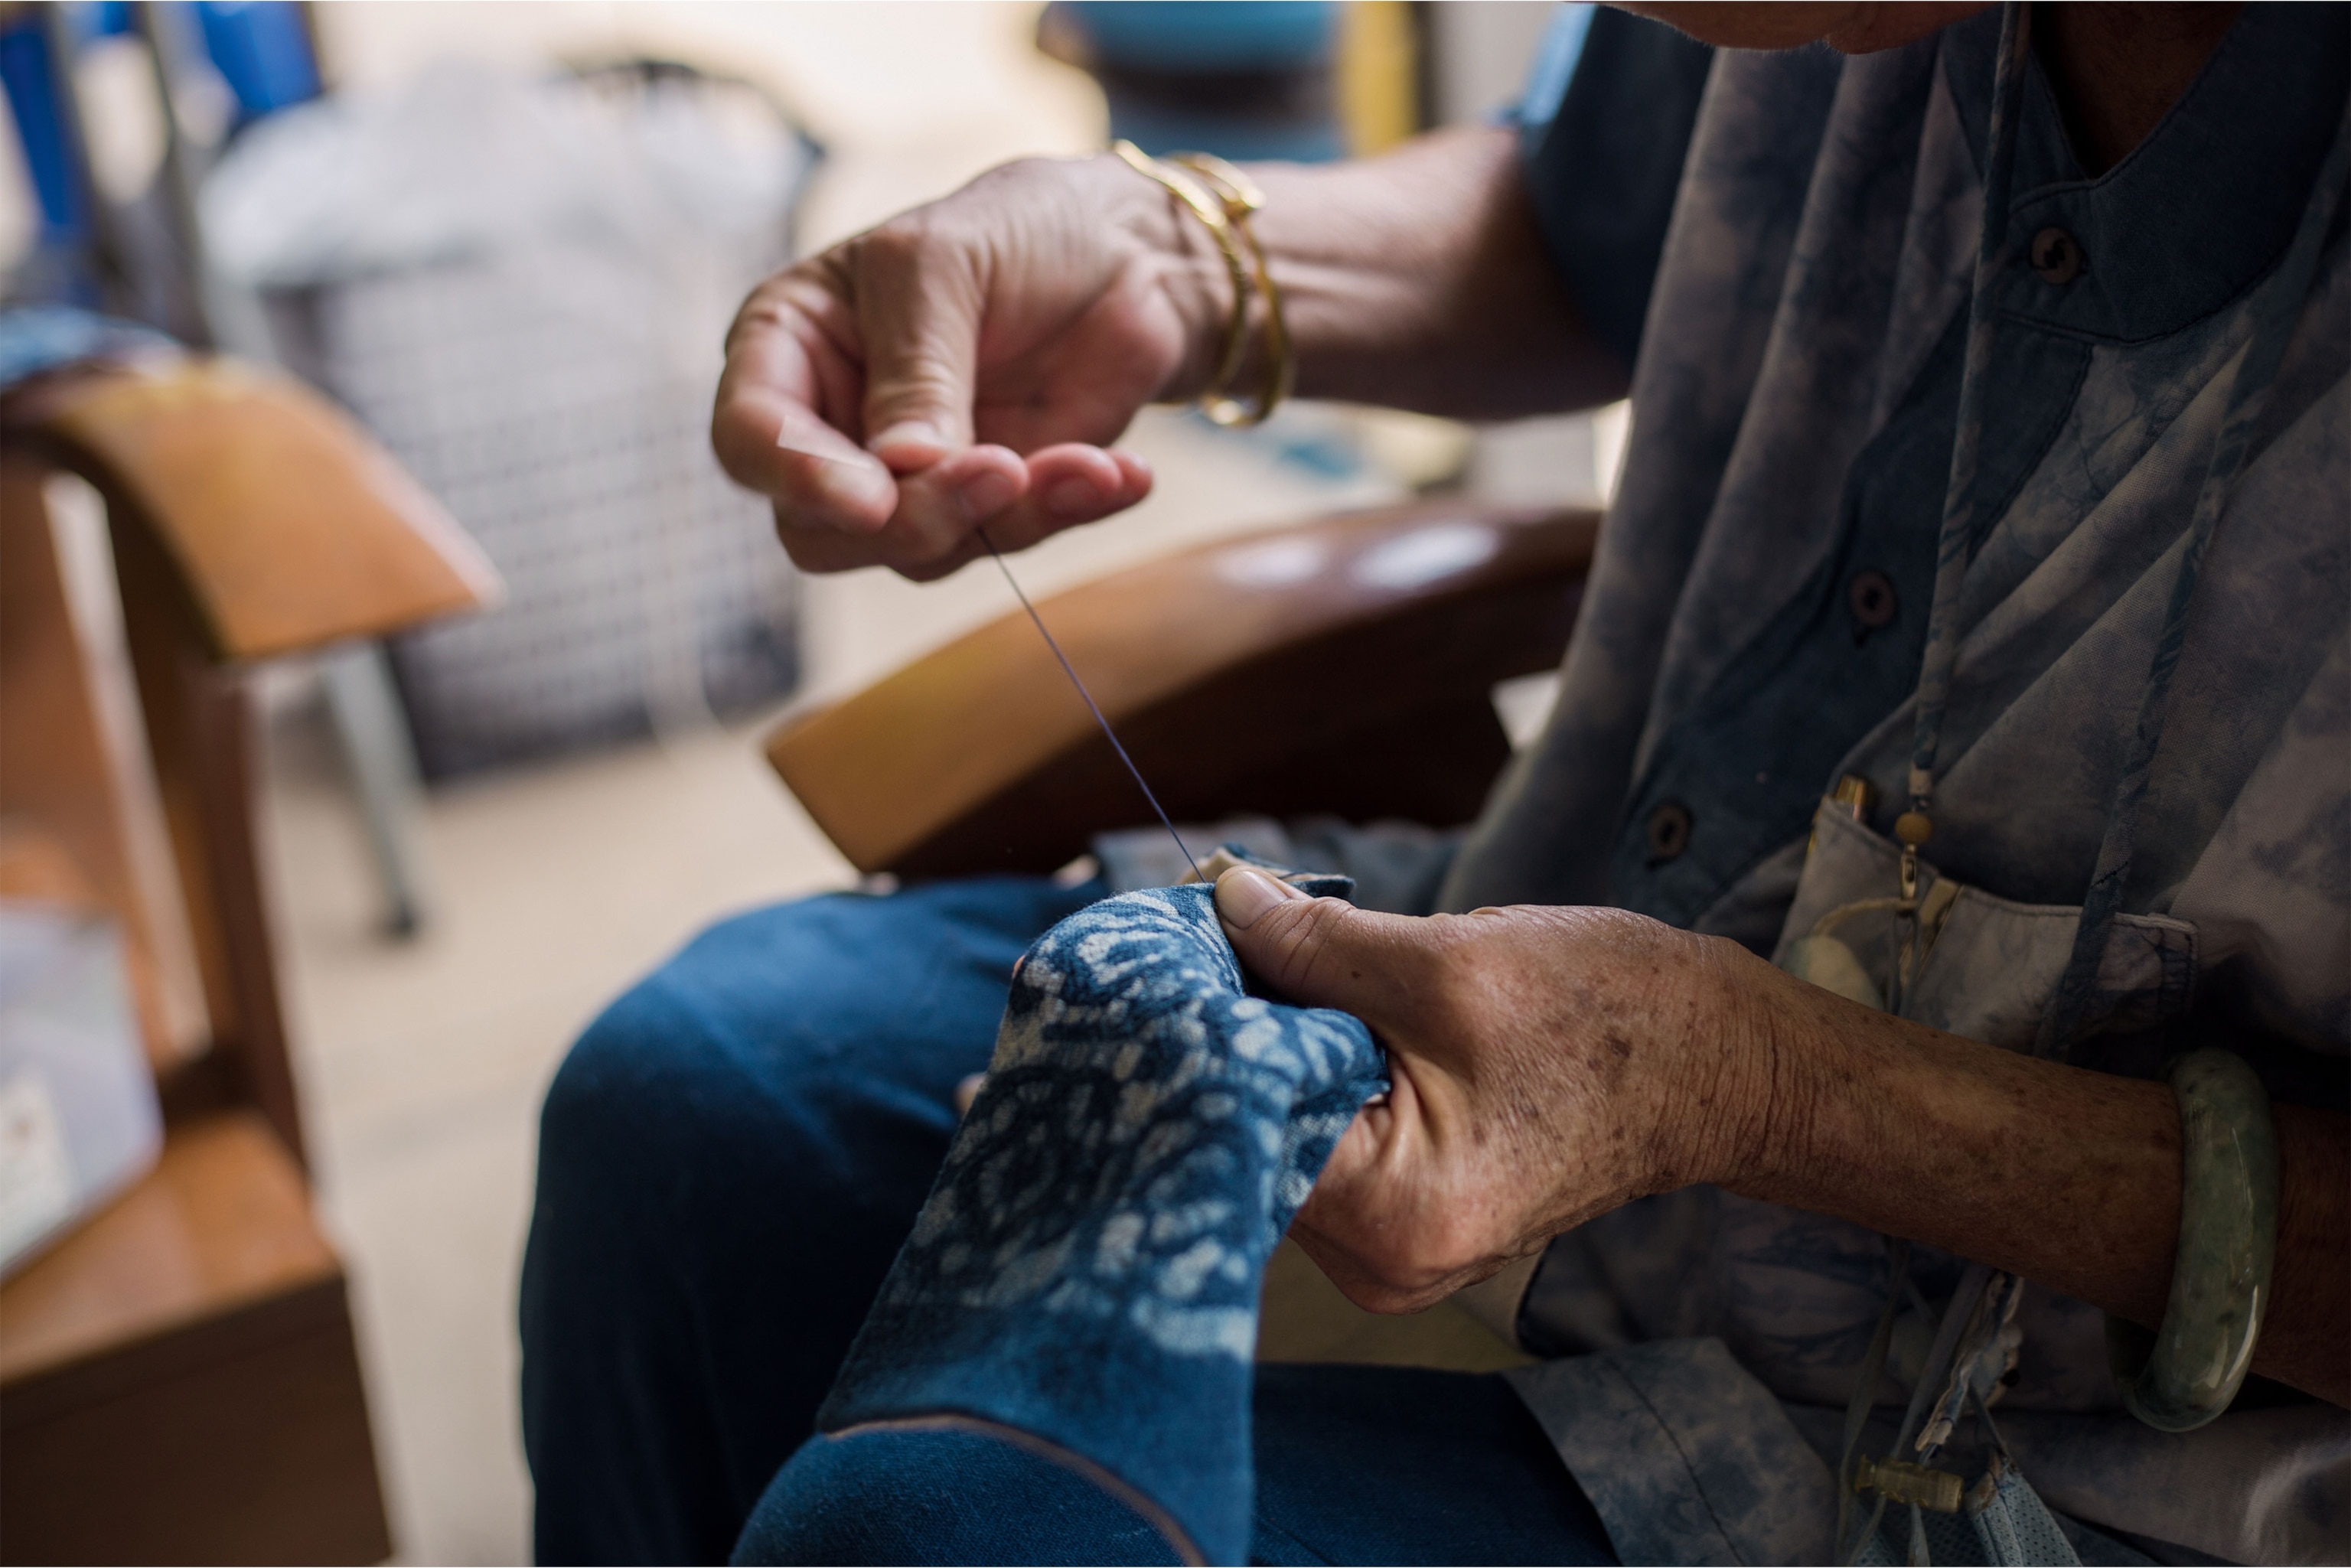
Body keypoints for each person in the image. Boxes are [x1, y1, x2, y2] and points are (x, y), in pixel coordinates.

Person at [520, 3, 2349, 1563]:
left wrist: (1765, 1087)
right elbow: (1593, 225)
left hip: (2055, 1448)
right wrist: (1178, 255)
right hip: (1578, 905)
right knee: (690, 1109)